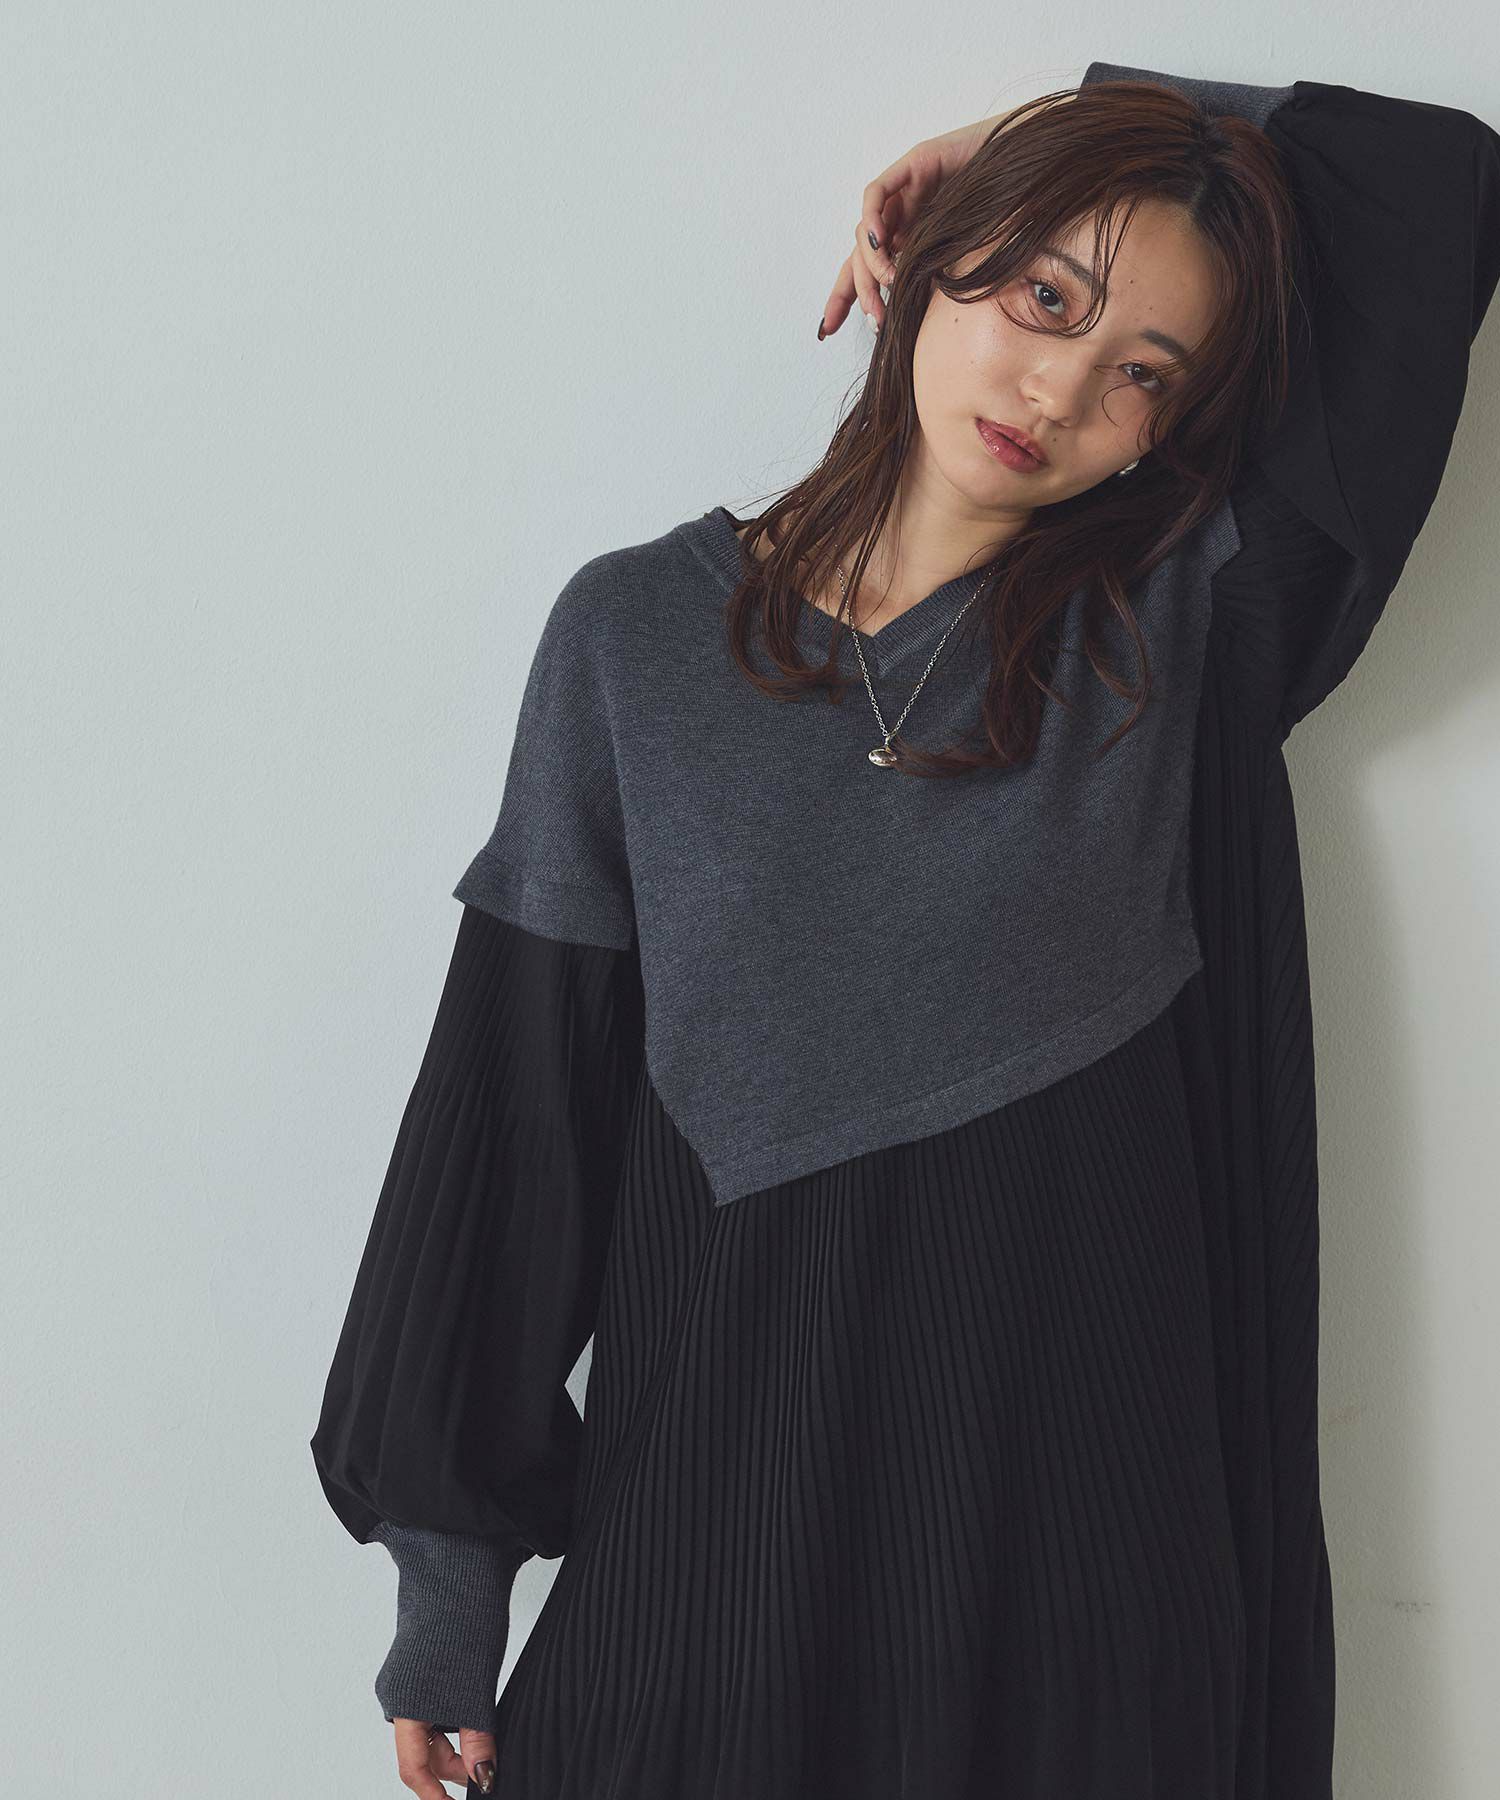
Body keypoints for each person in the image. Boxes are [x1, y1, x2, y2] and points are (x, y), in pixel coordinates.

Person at [310, 59, 1500, 1800]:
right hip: (712, 1569)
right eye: (1046, 297)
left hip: (1084, 1604)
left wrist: (1061, 127)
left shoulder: (1187, 627)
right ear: (933, 259)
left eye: (1143, 372)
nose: (1062, 386)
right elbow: (516, 1114)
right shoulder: (634, 639)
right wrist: (446, 1597)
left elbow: (1435, 188)